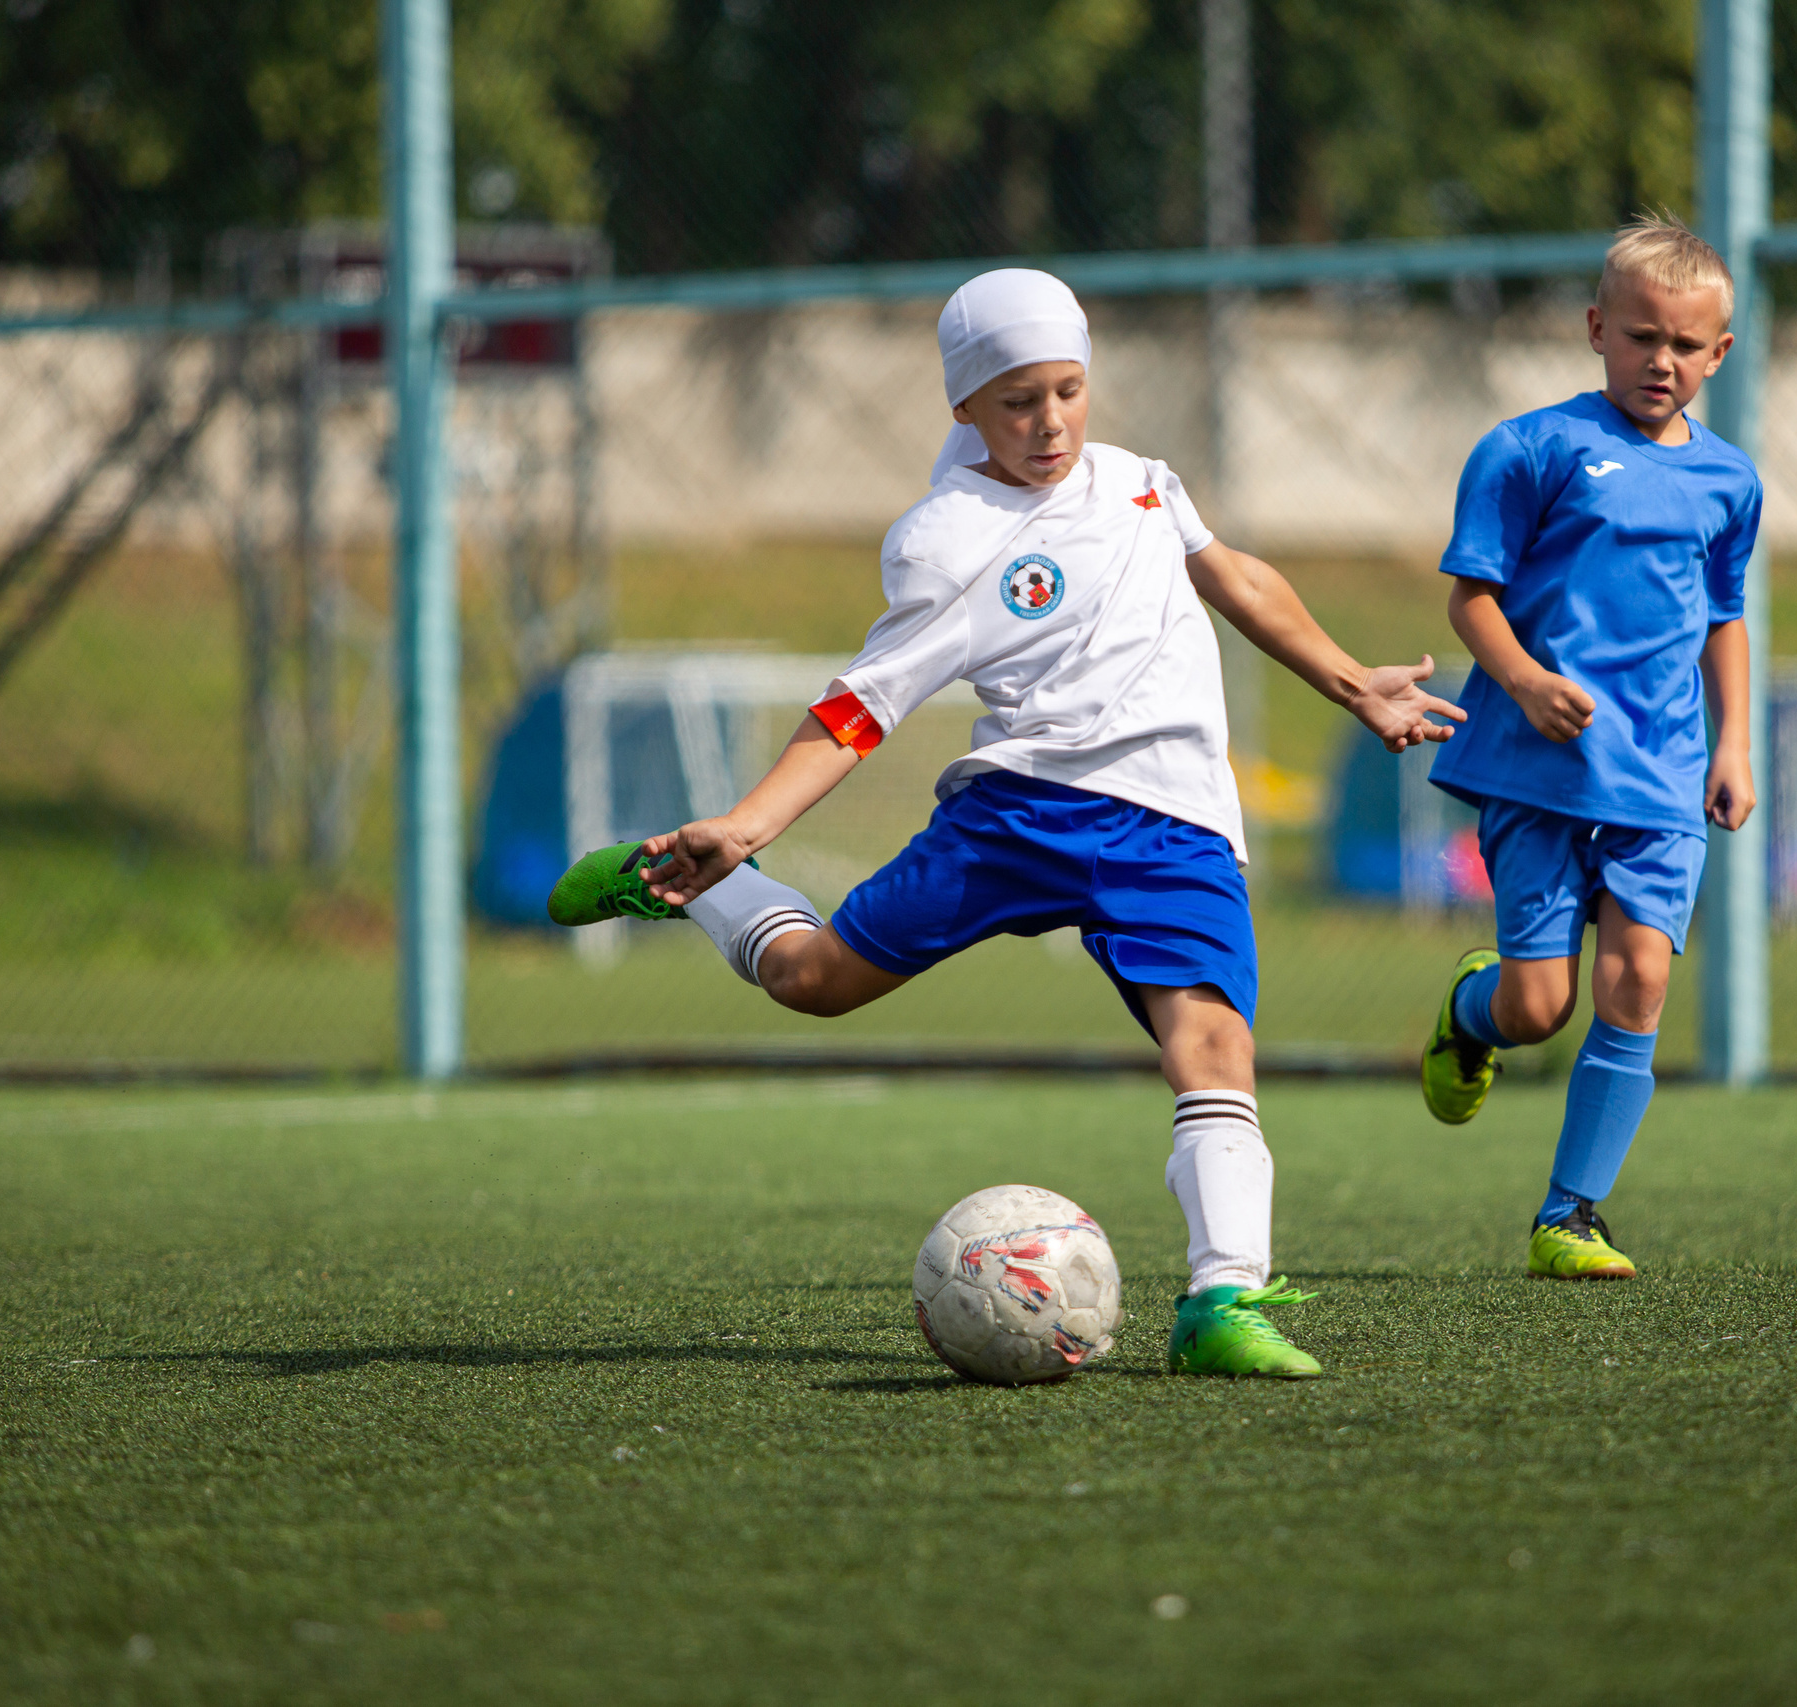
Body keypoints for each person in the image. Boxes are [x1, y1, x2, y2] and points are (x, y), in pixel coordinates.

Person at [546, 268, 1463, 1377]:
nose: (1051, 422)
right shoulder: (943, 541)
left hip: (1172, 822)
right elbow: (860, 707)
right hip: (1017, 816)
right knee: (812, 982)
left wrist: (1352, 683)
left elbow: (1239, 581)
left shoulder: (1140, 484)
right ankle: (706, 884)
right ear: (965, 406)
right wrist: (745, 827)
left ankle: (1222, 1300)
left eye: (1068, 391)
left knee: (1215, 1043)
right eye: (1019, 401)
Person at [1414, 214, 1760, 1281]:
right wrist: (1524, 682)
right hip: (1539, 771)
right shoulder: (1529, 450)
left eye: (1685, 345)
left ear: (1719, 353)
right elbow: (1471, 598)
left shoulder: (1729, 481)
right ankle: (1470, 1016)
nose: (1662, 361)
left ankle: (1569, 1215)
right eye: (1641, 337)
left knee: (1637, 981)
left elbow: (1724, 618)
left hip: (1661, 775)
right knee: (1538, 1008)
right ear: (1597, 328)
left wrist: (1735, 746)